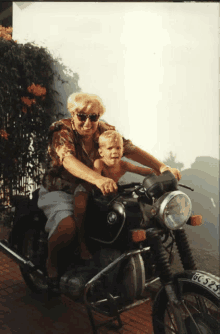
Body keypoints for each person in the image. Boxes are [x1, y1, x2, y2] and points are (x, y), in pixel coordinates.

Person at [37, 92, 181, 281]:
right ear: (72, 114)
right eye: (81, 116)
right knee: (68, 225)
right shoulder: (61, 130)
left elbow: (130, 149)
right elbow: (68, 160)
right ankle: (52, 261)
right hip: (62, 189)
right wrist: (97, 179)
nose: (88, 122)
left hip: (96, 190)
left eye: (93, 117)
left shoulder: (103, 130)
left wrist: (161, 167)